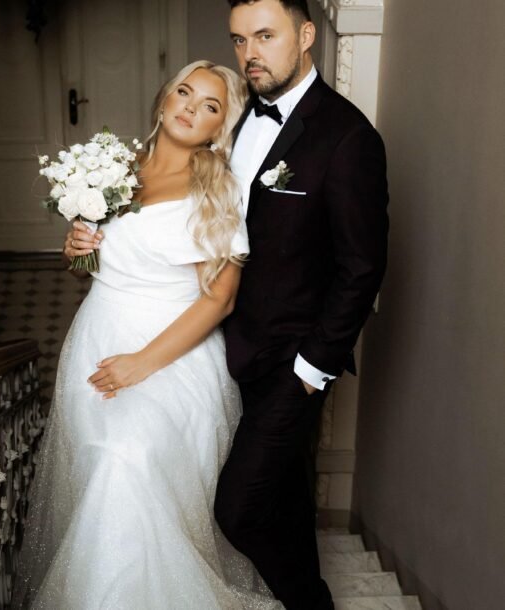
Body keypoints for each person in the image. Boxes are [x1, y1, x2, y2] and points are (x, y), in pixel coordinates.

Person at [12, 61, 284, 609]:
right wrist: (78, 251)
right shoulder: (114, 168)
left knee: (126, 461)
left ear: (219, 126)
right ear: (164, 99)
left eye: (210, 105)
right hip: (96, 340)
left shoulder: (219, 191)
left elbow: (221, 298)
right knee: (97, 476)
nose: (190, 108)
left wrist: (142, 363)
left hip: (171, 356)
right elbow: (100, 267)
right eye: (184, 92)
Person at [213, 1, 390, 609]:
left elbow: (361, 268)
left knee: (237, 509)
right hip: (227, 346)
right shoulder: (236, 116)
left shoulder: (347, 137)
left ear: (307, 35)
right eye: (239, 40)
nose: (250, 54)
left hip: (293, 360)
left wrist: (311, 369)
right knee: (285, 498)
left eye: (266, 36)